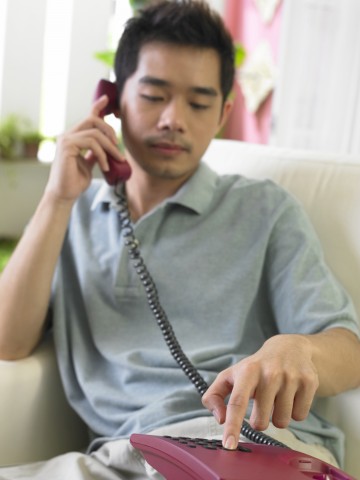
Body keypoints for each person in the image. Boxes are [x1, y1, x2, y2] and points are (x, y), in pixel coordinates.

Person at [0, 1, 359, 478]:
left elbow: (350, 353)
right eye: (153, 96)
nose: (174, 119)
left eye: (198, 102)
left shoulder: (264, 209)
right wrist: (56, 200)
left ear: (223, 112)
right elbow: (8, 343)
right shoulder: (71, 214)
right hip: (124, 458)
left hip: (252, 449)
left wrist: (297, 349)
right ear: (111, 101)